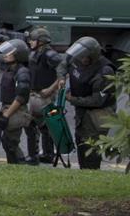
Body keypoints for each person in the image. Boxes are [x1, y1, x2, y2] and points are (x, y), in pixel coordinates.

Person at [61, 37, 115, 170]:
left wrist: (72, 99)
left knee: (91, 152)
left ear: (92, 56)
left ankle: (92, 179)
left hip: (97, 116)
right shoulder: (77, 60)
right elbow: (63, 64)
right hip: (82, 114)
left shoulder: (105, 71)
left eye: (85, 57)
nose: (81, 60)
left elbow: (97, 100)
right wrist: (61, 78)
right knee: (80, 145)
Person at [26, 28, 64, 165]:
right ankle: (33, 154)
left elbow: (63, 73)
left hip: (46, 96)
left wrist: (51, 89)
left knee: (46, 125)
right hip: (34, 94)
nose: (30, 42)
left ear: (41, 41)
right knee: (31, 124)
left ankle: (48, 154)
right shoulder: (34, 54)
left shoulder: (51, 55)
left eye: (33, 39)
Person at [0, 39, 31, 165]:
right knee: (6, 141)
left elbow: (21, 97)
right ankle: (13, 166)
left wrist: (7, 114)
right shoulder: (9, 69)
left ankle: (20, 165)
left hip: (16, 111)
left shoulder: (22, 72)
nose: (5, 55)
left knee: (11, 143)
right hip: (7, 108)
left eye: (9, 53)